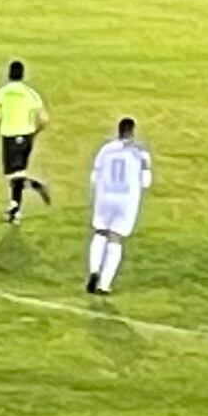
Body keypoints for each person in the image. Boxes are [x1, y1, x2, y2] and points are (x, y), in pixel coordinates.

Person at [87, 116, 151, 295]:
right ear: (132, 132)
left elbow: (94, 177)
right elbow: (146, 182)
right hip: (125, 200)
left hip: (105, 197)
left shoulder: (106, 149)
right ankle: (104, 284)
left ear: (118, 130)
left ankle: (93, 271)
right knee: (115, 238)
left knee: (100, 232)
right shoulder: (140, 153)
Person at [0, 61, 52, 222]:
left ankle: (36, 186)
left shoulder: (2, 93)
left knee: (13, 176)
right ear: (23, 75)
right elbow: (45, 119)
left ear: (9, 74)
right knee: (18, 174)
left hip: (10, 134)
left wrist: (0, 125)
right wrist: (34, 132)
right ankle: (15, 211)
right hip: (27, 136)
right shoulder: (30, 93)